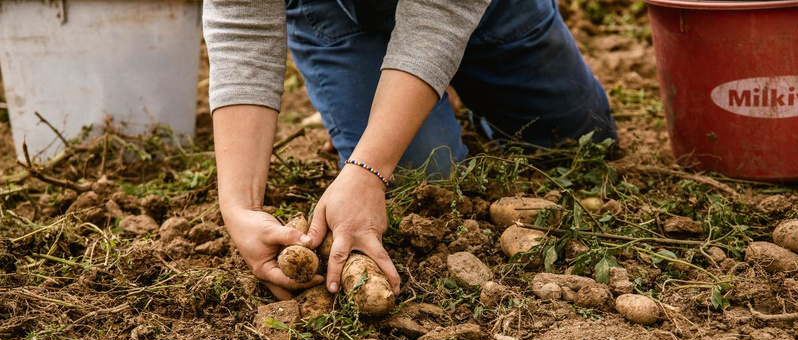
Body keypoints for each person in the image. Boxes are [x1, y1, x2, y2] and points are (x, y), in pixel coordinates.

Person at [203, 0, 617, 301]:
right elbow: (244, 25)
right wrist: (239, 206)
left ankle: (429, 88)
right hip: (343, 14)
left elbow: (440, 13)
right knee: (427, 174)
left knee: (582, 144)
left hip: (484, 8)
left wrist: (365, 168)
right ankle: (392, 92)